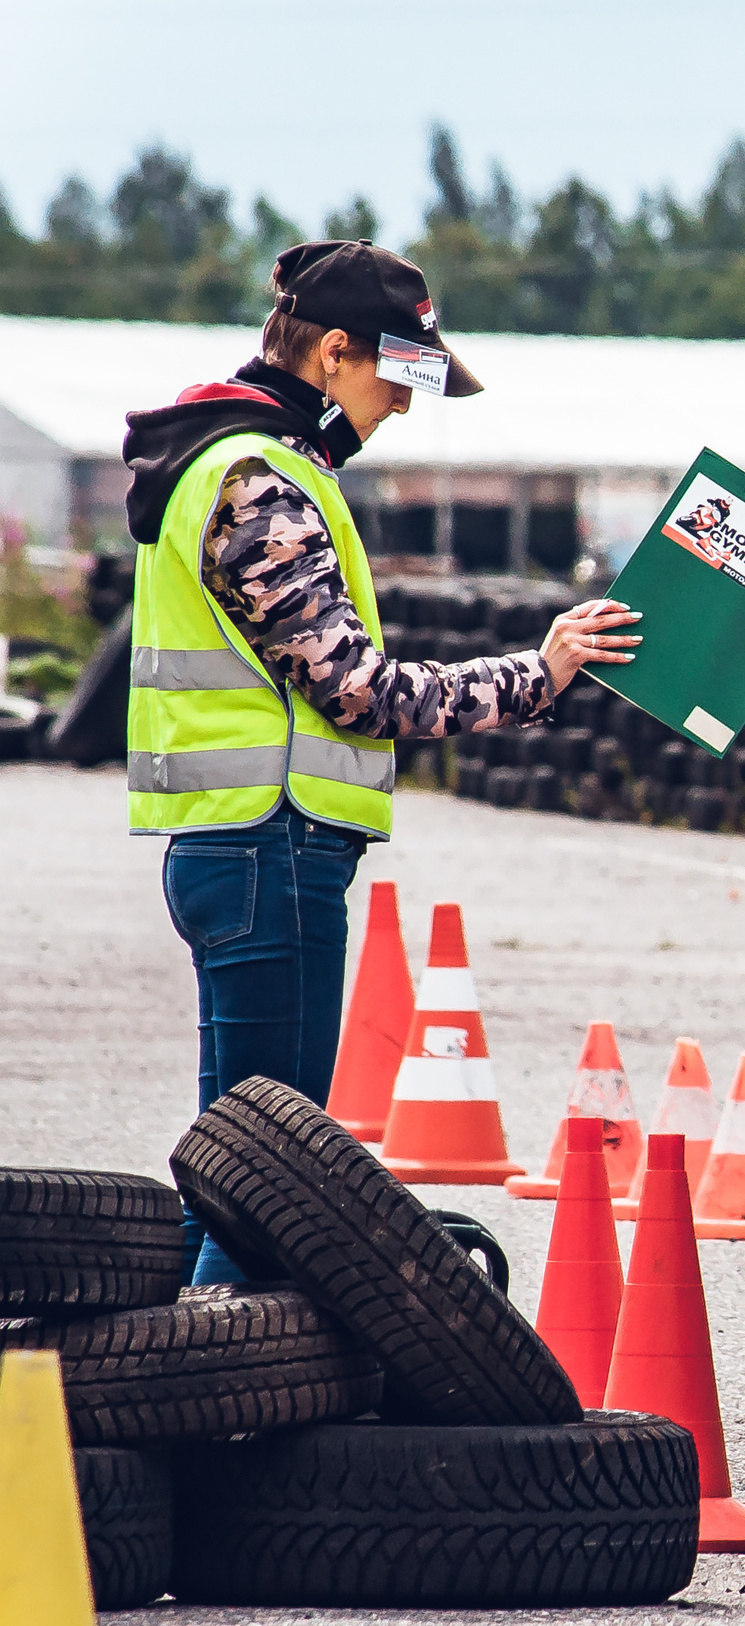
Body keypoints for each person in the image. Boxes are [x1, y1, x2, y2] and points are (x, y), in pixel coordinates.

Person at [122, 242, 637, 1281]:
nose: (404, 405)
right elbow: (358, 687)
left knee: (230, 1166)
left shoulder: (238, 459)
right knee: (272, 1176)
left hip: (246, 849)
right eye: (398, 378)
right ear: (335, 352)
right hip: (273, 851)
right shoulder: (256, 479)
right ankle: (228, 1413)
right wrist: (537, 674)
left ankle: (162, 1396)